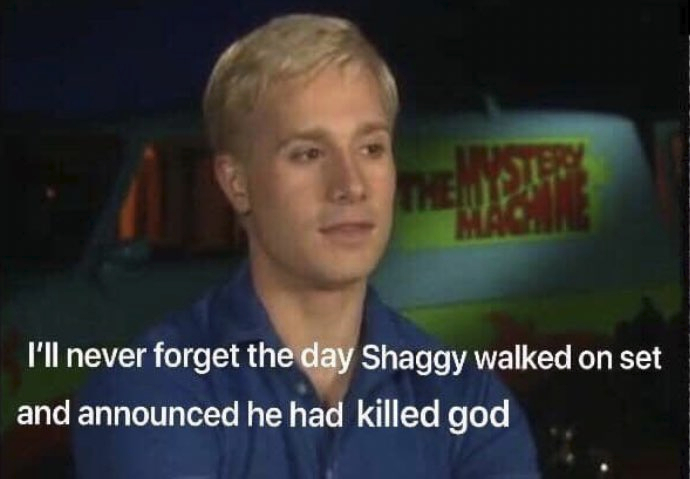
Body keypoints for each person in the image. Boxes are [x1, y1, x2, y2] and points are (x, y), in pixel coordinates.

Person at [73, 14, 541, 478]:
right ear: (236, 183)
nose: (351, 185)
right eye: (308, 153)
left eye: (371, 148)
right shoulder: (149, 393)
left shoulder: (471, 405)